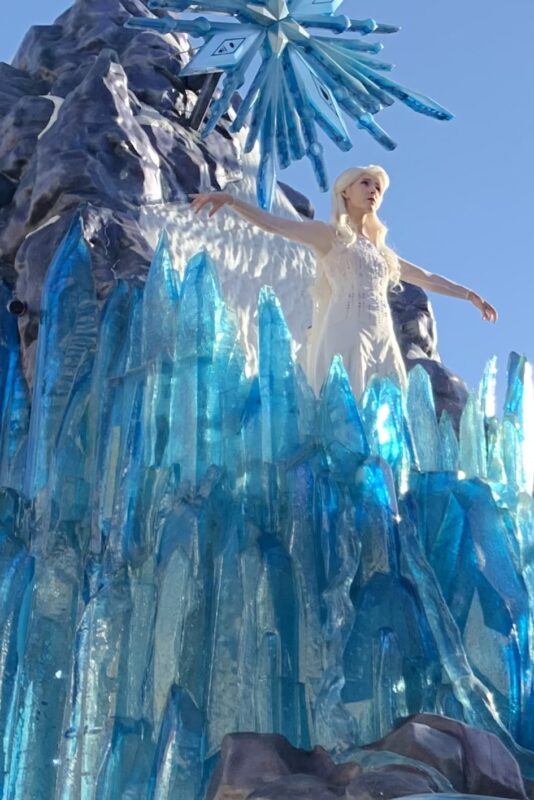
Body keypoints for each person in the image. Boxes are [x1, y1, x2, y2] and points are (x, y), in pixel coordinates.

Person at [189, 165, 497, 400]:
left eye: (378, 187)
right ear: (345, 192)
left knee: (387, 403)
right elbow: (274, 225)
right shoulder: (330, 235)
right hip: (347, 332)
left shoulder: (382, 252)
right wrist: (231, 200)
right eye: (365, 183)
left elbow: (427, 278)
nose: (373, 190)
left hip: (383, 337)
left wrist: (469, 295)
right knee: (347, 398)